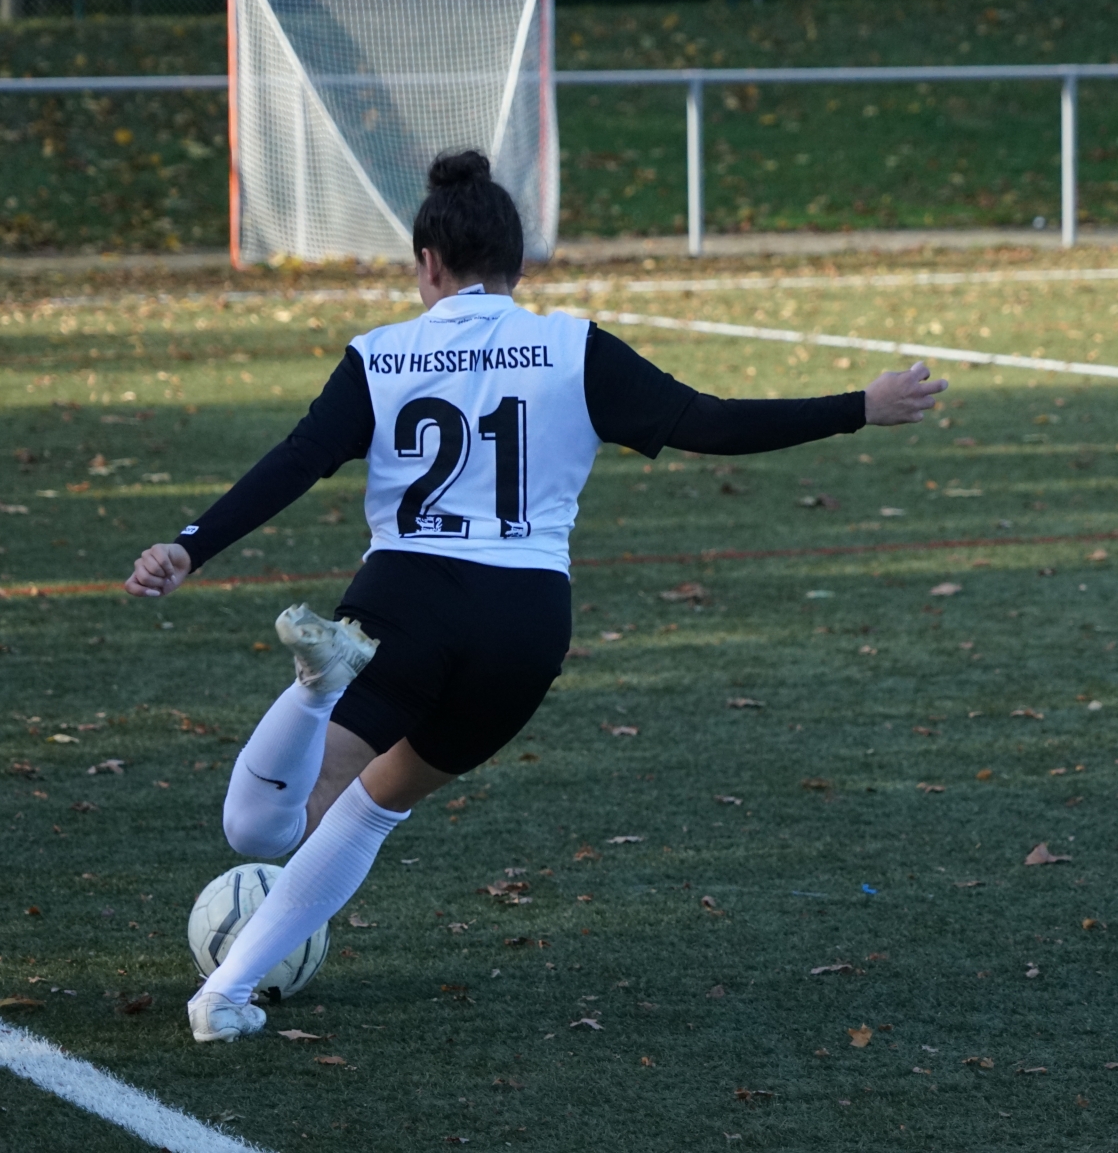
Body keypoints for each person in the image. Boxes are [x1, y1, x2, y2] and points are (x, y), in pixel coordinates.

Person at [124, 151, 948, 1043]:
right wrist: (856, 405)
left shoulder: (381, 354)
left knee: (258, 822)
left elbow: (294, 461)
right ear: (518, 267)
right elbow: (710, 422)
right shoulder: (572, 346)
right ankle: (224, 999)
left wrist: (191, 545)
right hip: (523, 625)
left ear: (428, 264)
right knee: (369, 809)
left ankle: (313, 689)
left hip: (405, 596)